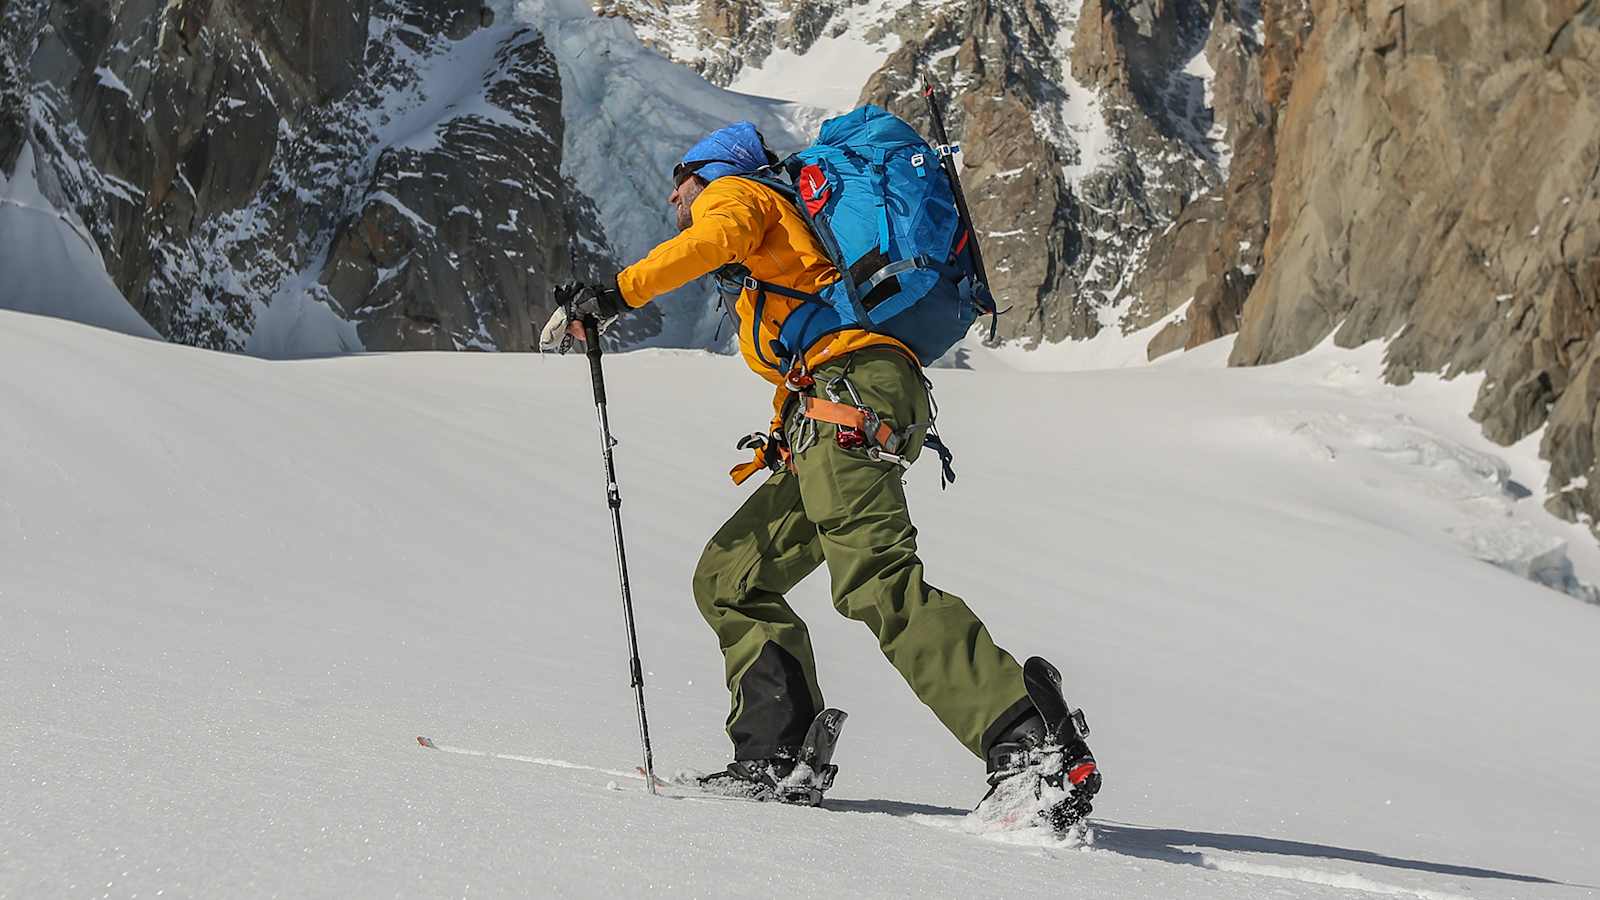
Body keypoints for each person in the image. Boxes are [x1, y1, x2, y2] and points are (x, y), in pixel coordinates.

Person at [539, 121, 1098, 827]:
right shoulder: (777, 240)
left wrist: (615, 295)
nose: (674, 194)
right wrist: (783, 438)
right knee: (732, 577)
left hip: (851, 399)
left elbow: (711, 240)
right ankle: (775, 756)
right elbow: (814, 343)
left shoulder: (736, 196)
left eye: (682, 178)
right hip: (833, 408)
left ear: (710, 171)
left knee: (875, 580)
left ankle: (1029, 742)